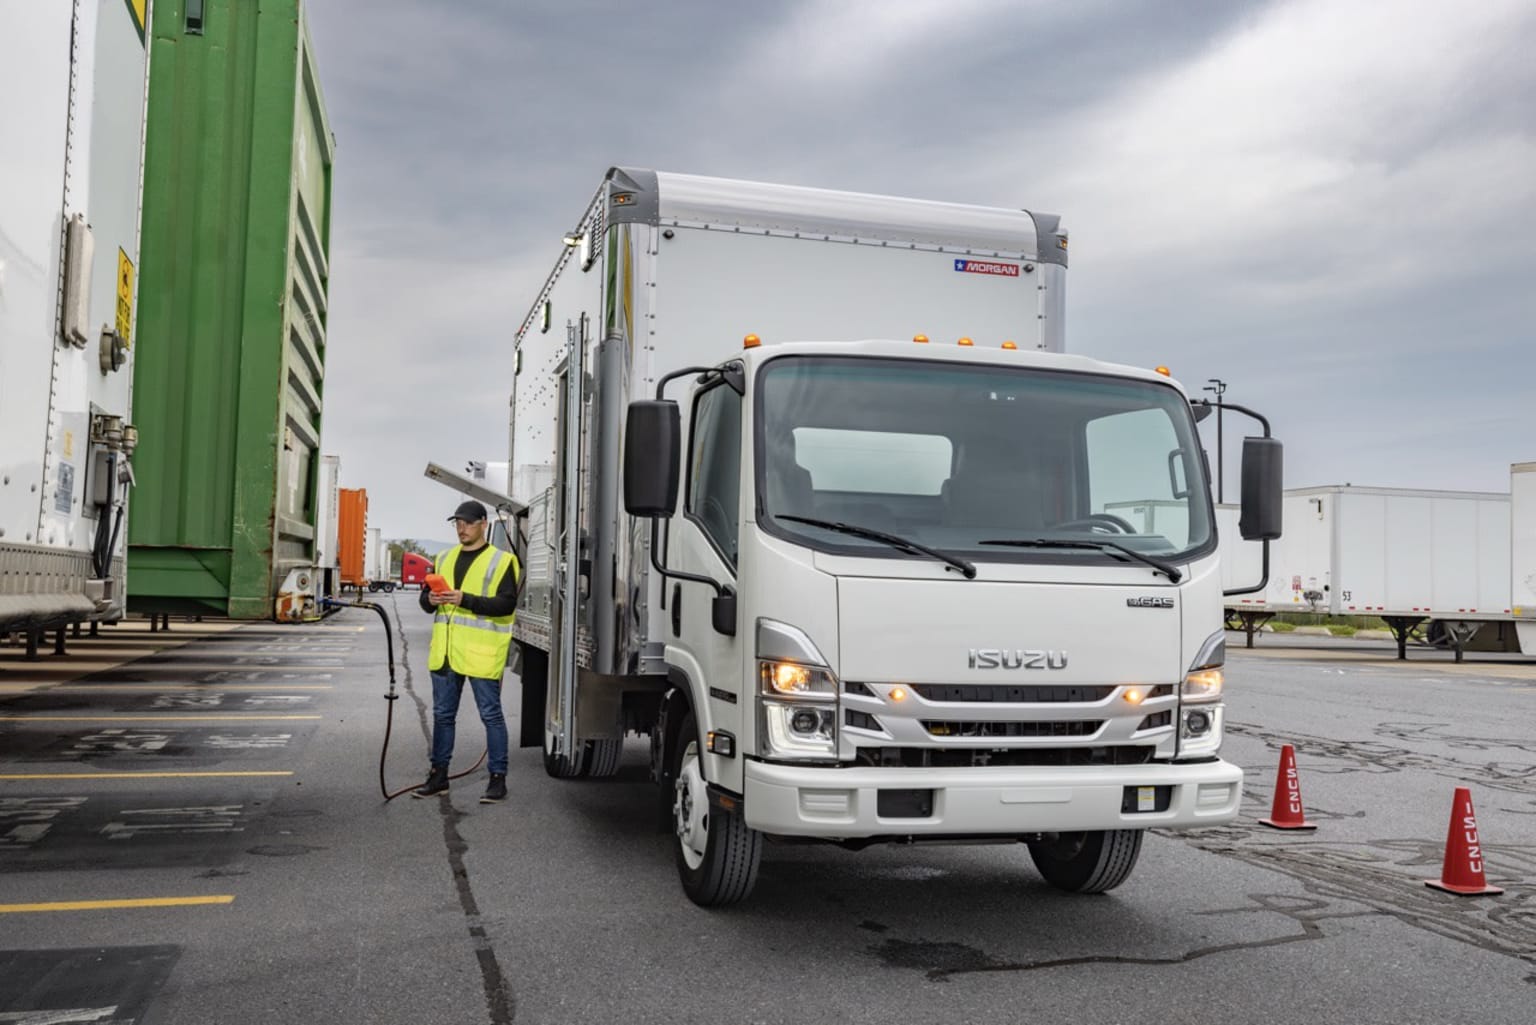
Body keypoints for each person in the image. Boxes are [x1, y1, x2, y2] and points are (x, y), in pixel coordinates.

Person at [414, 500, 521, 803]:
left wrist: (465, 599)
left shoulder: (501, 561)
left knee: (491, 716)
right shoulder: (444, 557)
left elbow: (506, 604)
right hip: (447, 653)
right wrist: (430, 600)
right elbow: (425, 601)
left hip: (480, 653)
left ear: (483, 524)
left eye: (468, 522)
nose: (462, 528)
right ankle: (439, 776)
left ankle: (497, 779)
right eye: (457, 522)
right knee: (443, 716)